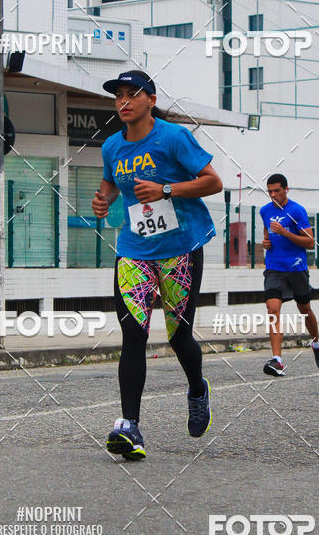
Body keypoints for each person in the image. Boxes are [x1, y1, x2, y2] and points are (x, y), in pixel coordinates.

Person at [92, 70, 223, 460]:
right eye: (118, 96)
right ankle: (130, 426)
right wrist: (103, 202)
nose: (124, 102)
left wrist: (167, 189)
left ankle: (197, 388)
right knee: (133, 334)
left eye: (133, 95)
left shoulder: (172, 137)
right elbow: (110, 184)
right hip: (134, 250)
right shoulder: (112, 147)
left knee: (179, 336)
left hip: (179, 248)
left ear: (151, 100)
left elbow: (212, 182)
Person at [259, 174, 319, 376]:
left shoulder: (297, 211)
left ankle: (316, 342)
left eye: (276, 191)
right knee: (273, 309)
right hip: (274, 267)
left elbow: (310, 242)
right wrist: (266, 242)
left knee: (305, 309)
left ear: (286, 189)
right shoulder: (265, 211)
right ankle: (277, 360)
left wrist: (285, 233)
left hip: (296, 268)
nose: (273, 195)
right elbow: (266, 231)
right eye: (270, 191)